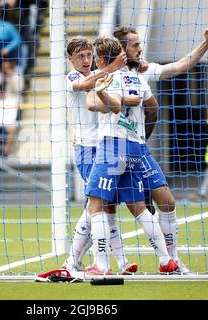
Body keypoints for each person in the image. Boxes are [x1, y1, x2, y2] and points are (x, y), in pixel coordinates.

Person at [112, 25, 208, 272]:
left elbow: (181, 65)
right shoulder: (105, 75)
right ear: (121, 48)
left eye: (140, 44)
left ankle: (172, 260)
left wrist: (207, 44)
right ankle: (91, 261)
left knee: (167, 201)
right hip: (112, 148)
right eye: (135, 44)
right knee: (103, 207)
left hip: (138, 148)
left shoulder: (143, 72)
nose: (141, 48)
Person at [84, 36, 178, 274]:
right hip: (135, 146)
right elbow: (152, 107)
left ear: (102, 59)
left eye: (95, 57)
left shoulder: (108, 77)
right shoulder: (137, 78)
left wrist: (103, 92)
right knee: (138, 207)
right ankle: (166, 260)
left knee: (96, 203)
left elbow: (114, 106)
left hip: (113, 145)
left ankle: (102, 266)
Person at [64, 37, 141, 274]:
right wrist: (112, 67)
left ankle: (121, 263)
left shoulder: (101, 74)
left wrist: (135, 65)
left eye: (89, 55)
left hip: (107, 147)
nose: (86, 60)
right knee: (95, 204)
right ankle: (74, 261)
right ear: (71, 60)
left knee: (106, 207)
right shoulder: (72, 78)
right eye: (80, 56)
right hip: (87, 149)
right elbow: (84, 85)